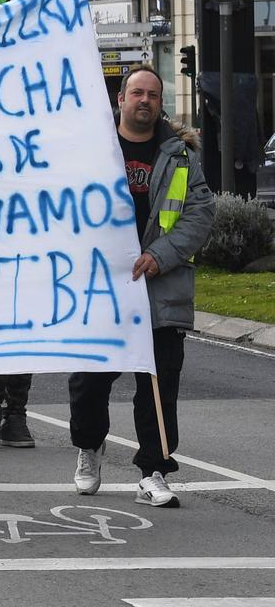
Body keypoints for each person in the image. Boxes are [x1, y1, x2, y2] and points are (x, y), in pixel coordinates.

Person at [70, 66, 214, 509]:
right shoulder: (92, 147)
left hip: (160, 289)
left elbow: (200, 215)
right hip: (103, 289)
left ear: (160, 101)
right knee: (90, 382)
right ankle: (89, 448)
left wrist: (159, 256)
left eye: (152, 94)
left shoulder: (181, 155)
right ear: (120, 99)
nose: (145, 101)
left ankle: (153, 470)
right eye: (137, 93)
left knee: (158, 385)